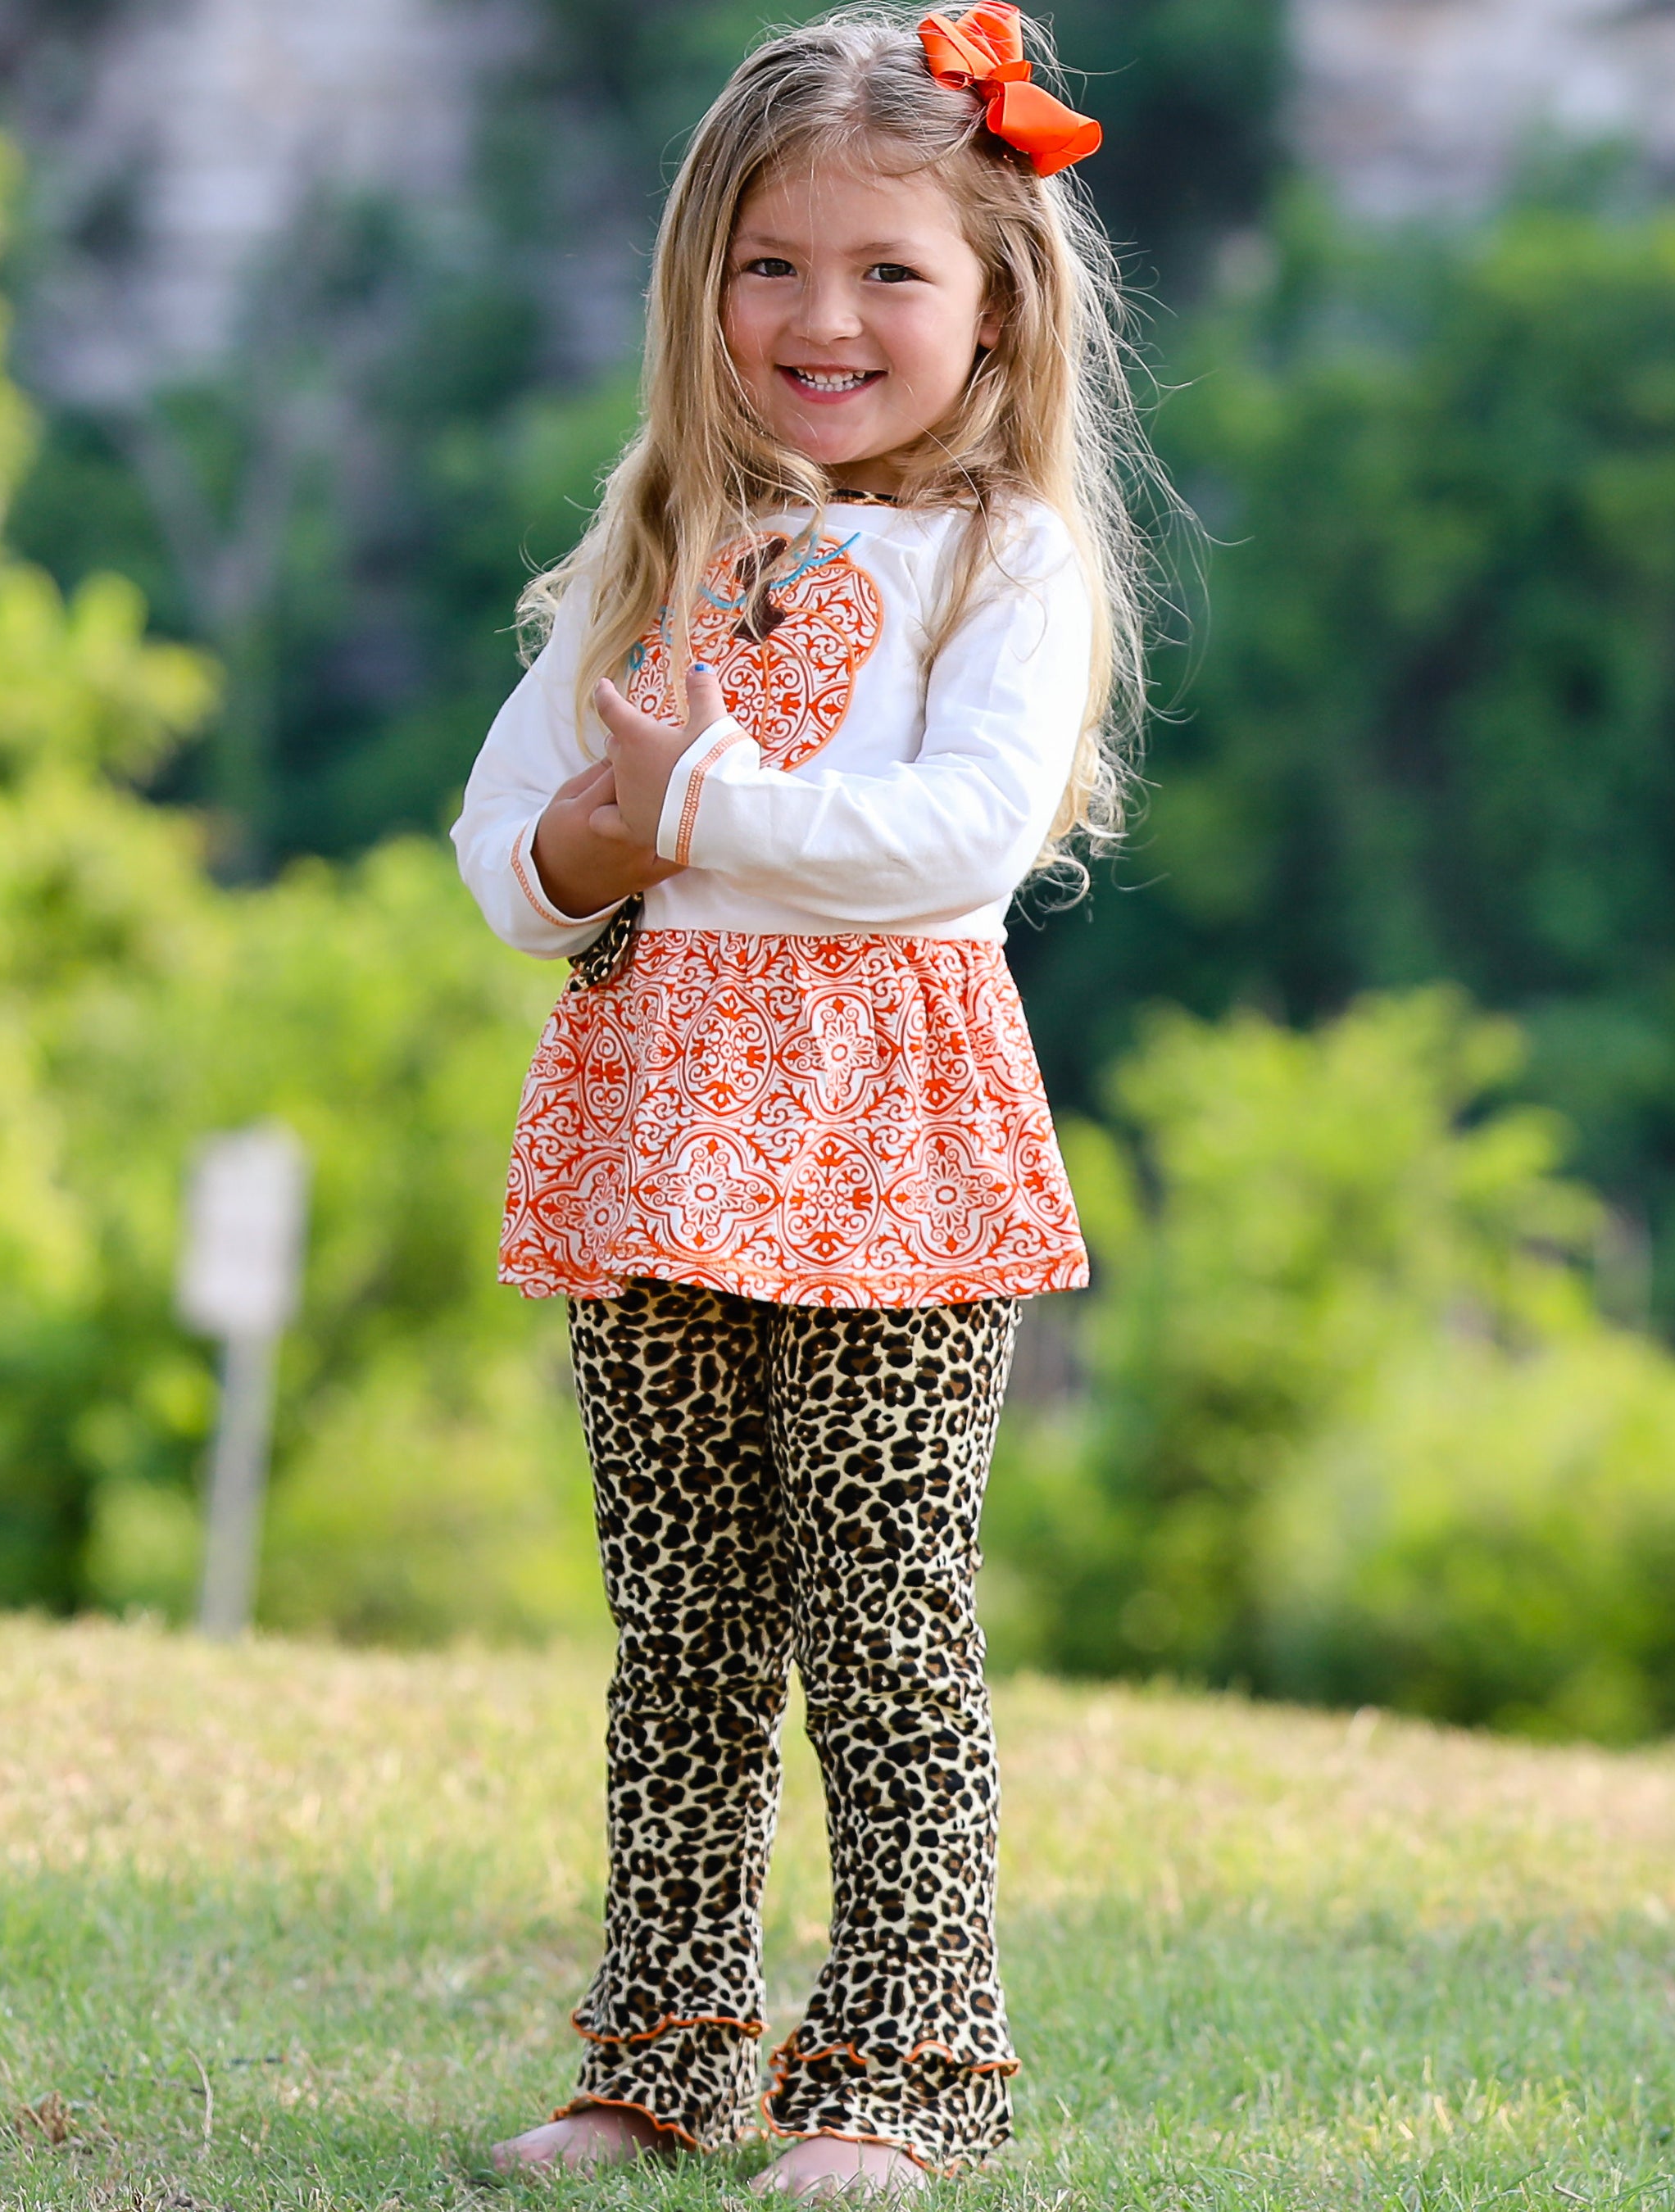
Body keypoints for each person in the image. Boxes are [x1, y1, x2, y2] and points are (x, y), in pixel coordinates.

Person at [452, 2, 1159, 2194]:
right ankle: (652, 2052)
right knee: (678, 1621)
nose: (824, 318)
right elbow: (507, 839)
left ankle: (902, 2076)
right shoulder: (666, 532)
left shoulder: (1006, 561)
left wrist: (691, 805)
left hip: (891, 1155)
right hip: (661, 1133)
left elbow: (955, 838)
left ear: (996, 298)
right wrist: (597, 844)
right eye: (773, 266)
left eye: (888, 273)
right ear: (702, 283)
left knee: (886, 1617)